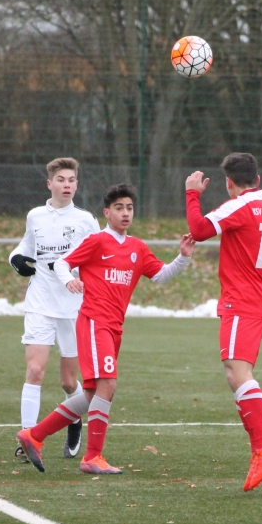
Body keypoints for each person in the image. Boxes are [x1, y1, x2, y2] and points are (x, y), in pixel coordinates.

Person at [17, 184, 195, 474]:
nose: (125, 213)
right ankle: (92, 457)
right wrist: (69, 281)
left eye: (129, 208)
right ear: (107, 213)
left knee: (91, 394)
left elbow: (161, 276)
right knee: (108, 385)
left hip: (114, 328)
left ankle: (34, 436)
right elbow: (62, 263)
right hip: (94, 322)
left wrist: (183, 257)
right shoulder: (97, 241)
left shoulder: (137, 247)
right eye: (119, 208)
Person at [185, 153, 262, 492]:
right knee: (236, 372)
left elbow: (199, 230)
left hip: (241, 299)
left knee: (237, 373)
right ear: (257, 179)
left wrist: (192, 193)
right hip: (257, 297)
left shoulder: (238, 205)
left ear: (229, 183)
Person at [9, 158, 100, 462]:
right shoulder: (35, 216)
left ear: (77, 184)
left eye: (71, 180)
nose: (66, 185)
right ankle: (28, 438)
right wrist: (16, 259)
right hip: (40, 303)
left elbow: (97, 257)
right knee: (35, 371)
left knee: (68, 382)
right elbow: (25, 247)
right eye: (61, 179)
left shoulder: (86, 220)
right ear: (50, 184)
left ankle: (74, 419)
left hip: (73, 308)